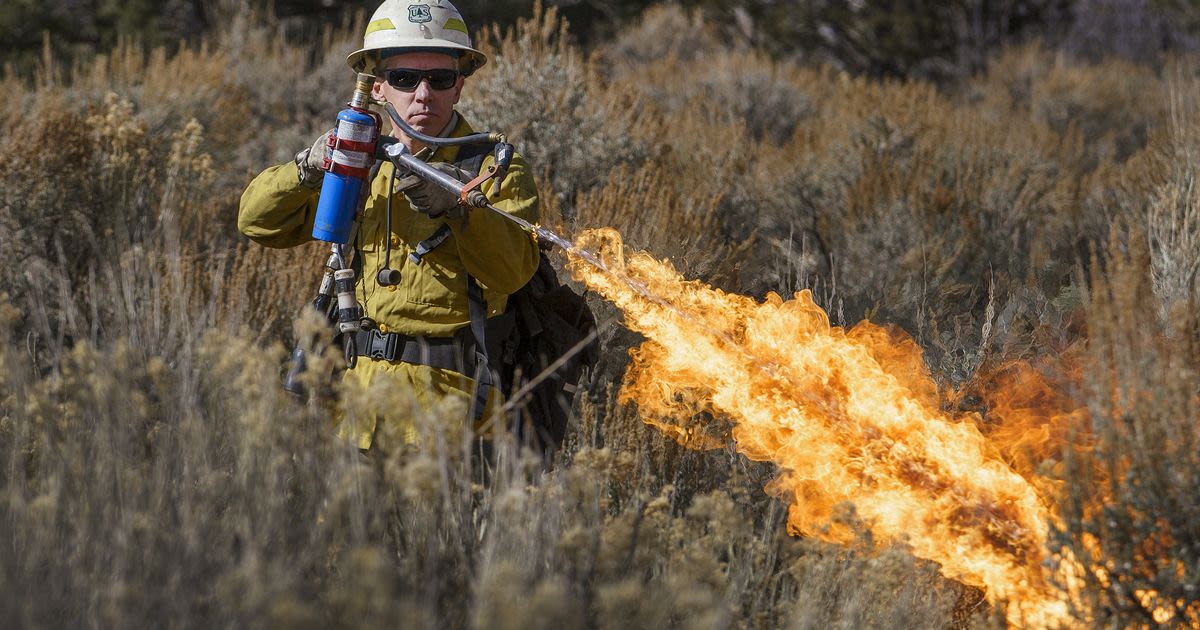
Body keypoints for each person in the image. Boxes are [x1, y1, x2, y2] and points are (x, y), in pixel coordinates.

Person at [238, 0, 540, 450]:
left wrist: (459, 208)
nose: (423, 94)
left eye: (439, 79)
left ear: (458, 86)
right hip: (352, 409)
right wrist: (307, 167)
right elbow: (257, 223)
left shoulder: (495, 169)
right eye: (405, 79)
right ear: (378, 87)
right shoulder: (359, 162)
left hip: (448, 417)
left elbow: (512, 271)